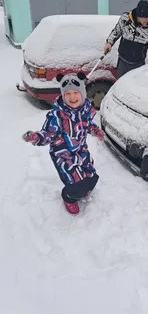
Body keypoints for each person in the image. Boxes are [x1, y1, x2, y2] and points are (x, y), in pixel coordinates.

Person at [22, 72, 104, 215]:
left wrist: (95, 131)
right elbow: (48, 133)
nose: (72, 97)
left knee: (92, 177)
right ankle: (69, 198)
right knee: (76, 184)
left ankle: (83, 189)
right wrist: (36, 137)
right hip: (63, 154)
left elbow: (88, 124)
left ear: (82, 93)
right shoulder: (58, 115)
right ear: (63, 95)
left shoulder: (85, 109)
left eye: (75, 93)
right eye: (68, 94)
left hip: (81, 151)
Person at [104, 0, 148, 79]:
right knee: (121, 87)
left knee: (135, 88)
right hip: (122, 63)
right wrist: (109, 43)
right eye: (145, 17)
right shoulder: (125, 19)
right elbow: (116, 32)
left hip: (138, 65)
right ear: (138, 16)